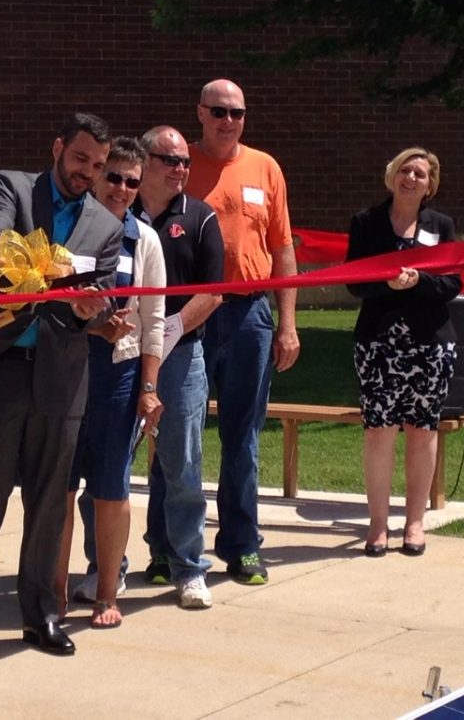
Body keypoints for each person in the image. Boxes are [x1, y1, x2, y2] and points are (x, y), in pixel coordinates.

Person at [0, 113, 122, 665]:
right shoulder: (13, 188)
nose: (87, 173)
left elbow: (103, 296)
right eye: (80, 159)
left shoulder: (108, 226)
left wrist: (94, 309)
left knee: (49, 506)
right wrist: (64, 276)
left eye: (97, 166)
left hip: (62, 378)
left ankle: (41, 614)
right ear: (58, 147)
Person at [186, 79, 299, 586]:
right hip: (190, 313)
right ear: (201, 113)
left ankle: (242, 545)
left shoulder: (266, 167)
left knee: (243, 437)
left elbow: (283, 250)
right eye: (218, 111)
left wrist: (288, 324)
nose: (228, 120)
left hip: (251, 314)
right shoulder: (177, 164)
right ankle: (171, 547)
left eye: (237, 112)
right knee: (177, 432)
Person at [54, 136, 165, 629]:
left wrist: (148, 386)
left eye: (131, 182)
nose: (122, 188)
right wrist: (92, 325)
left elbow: (154, 319)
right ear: (98, 176)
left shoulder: (145, 240)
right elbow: (51, 299)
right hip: (67, 370)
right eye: (114, 176)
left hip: (118, 377)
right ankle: (51, 593)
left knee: (111, 489)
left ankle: (105, 594)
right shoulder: (68, 230)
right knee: (57, 489)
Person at [346, 146, 460, 558]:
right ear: (392, 175)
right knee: (379, 430)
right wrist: (387, 284)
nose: (412, 178)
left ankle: (414, 523)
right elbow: (354, 282)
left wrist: (419, 282)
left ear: (431, 184)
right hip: (378, 343)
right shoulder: (366, 223)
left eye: (421, 173)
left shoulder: (441, 225)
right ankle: (378, 527)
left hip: (429, 344)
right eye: (405, 171)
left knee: (421, 429)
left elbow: (453, 284)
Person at [134, 125, 224, 608]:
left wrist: (167, 332)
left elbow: (212, 291)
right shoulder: (116, 211)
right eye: (170, 160)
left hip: (182, 355)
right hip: (120, 353)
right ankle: (104, 568)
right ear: (144, 160)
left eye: (185, 162)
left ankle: (190, 568)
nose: (180, 169)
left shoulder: (201, 217)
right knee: (105, 465)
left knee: (183, 465)